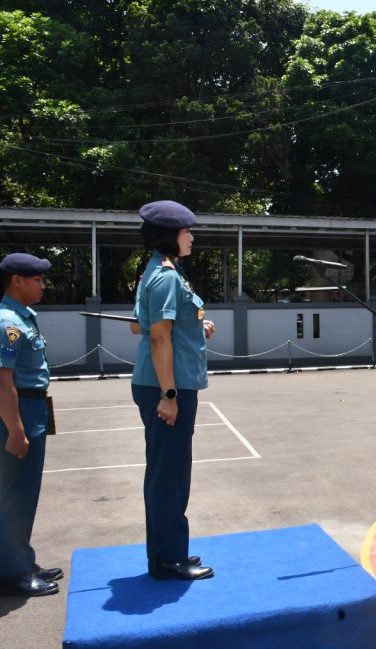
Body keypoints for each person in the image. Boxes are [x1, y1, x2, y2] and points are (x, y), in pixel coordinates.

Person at [132, 200, 215, 580]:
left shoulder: (163, 271)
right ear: (170, 236)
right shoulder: (166, 277)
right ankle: (167, 559)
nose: (191, 238)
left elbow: (142, 324)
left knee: (169, 471)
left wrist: (197, 326)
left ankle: (169, 551)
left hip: (168, 384)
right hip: (167, 387)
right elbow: (158, 337)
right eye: (186, 232)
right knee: (169, 475)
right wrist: (169, 395)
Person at [0, 253, 62, 597]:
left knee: (25, 491)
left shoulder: (23, 317)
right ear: (17, 280)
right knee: (15, 493)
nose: (42, 285)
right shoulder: (8, 322)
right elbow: (2, 381)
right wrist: (15, 429)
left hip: (33, 405)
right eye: (37, 279)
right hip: (19, 408)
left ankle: (21, 559)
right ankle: (13, 572)